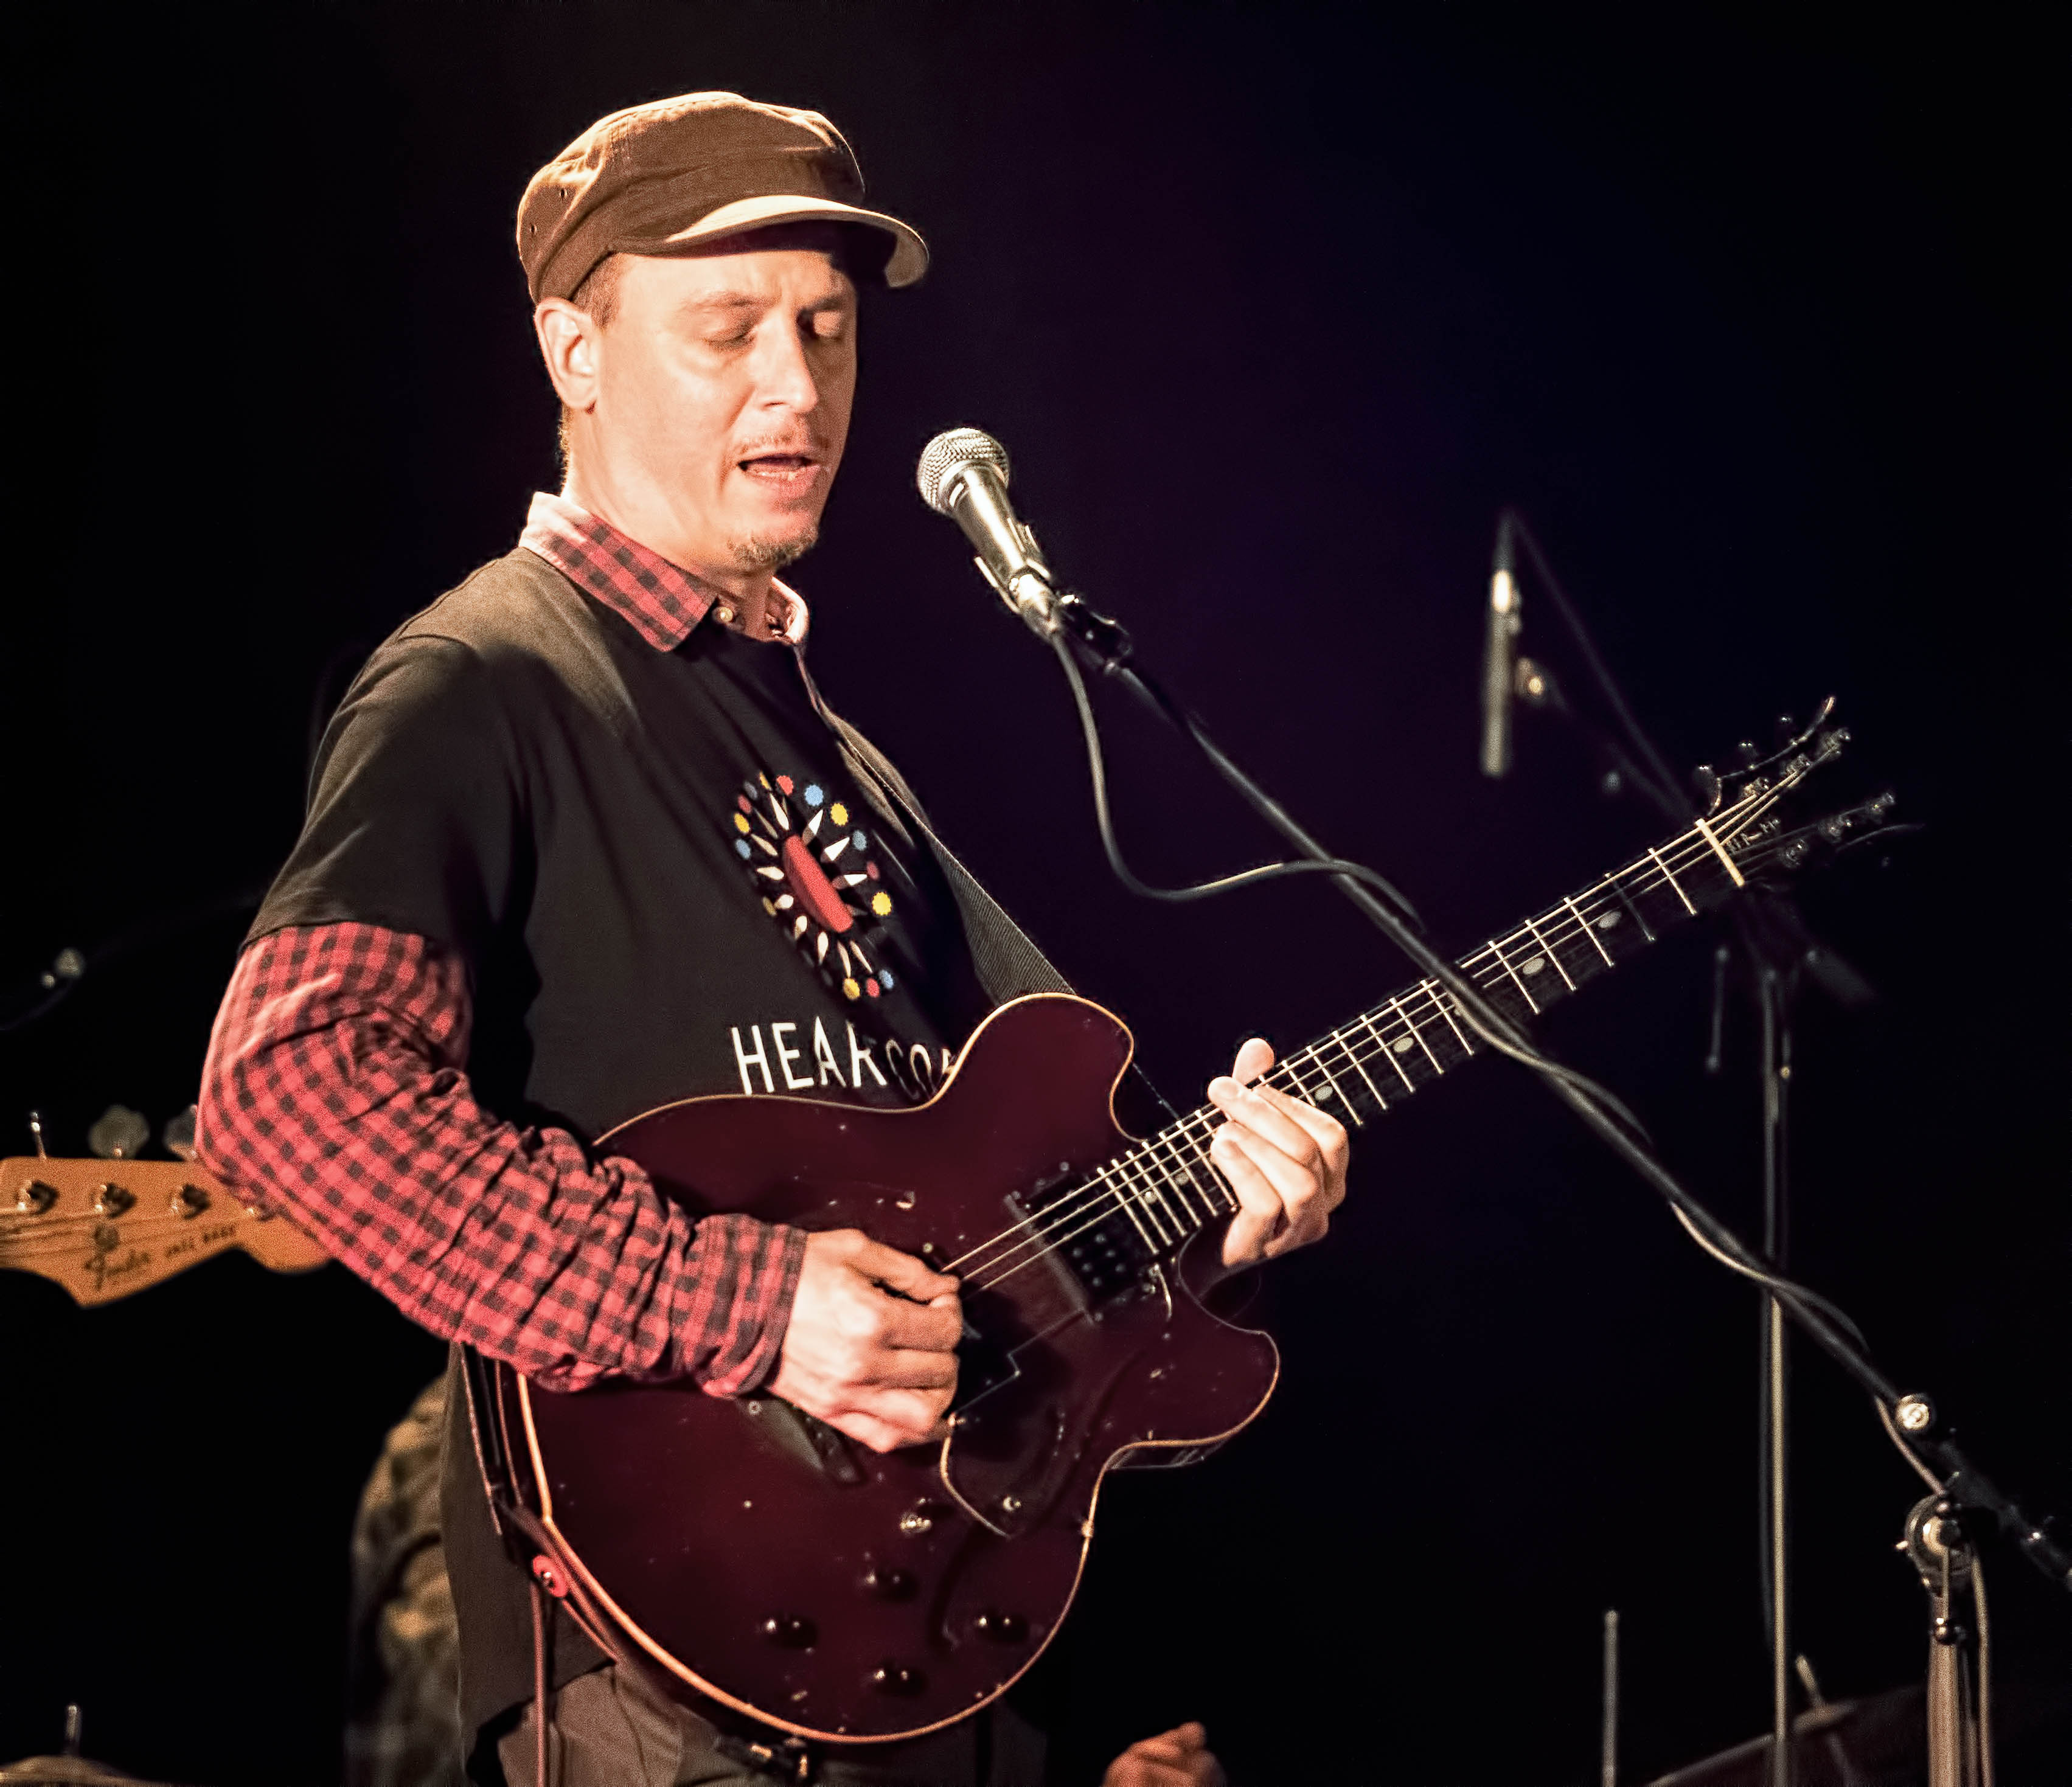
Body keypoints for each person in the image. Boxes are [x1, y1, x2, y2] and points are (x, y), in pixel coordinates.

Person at [196, 92, 1348, 1787]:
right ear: (575, 352)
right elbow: (285, 1089)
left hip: (932, 1634)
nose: (796, 389)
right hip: (670, 1672)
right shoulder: (483, 680)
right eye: (725, 331)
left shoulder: (845, 760)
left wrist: (1226, 1202)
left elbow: (1024, 1224)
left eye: (824, 328)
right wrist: (746, 1303)